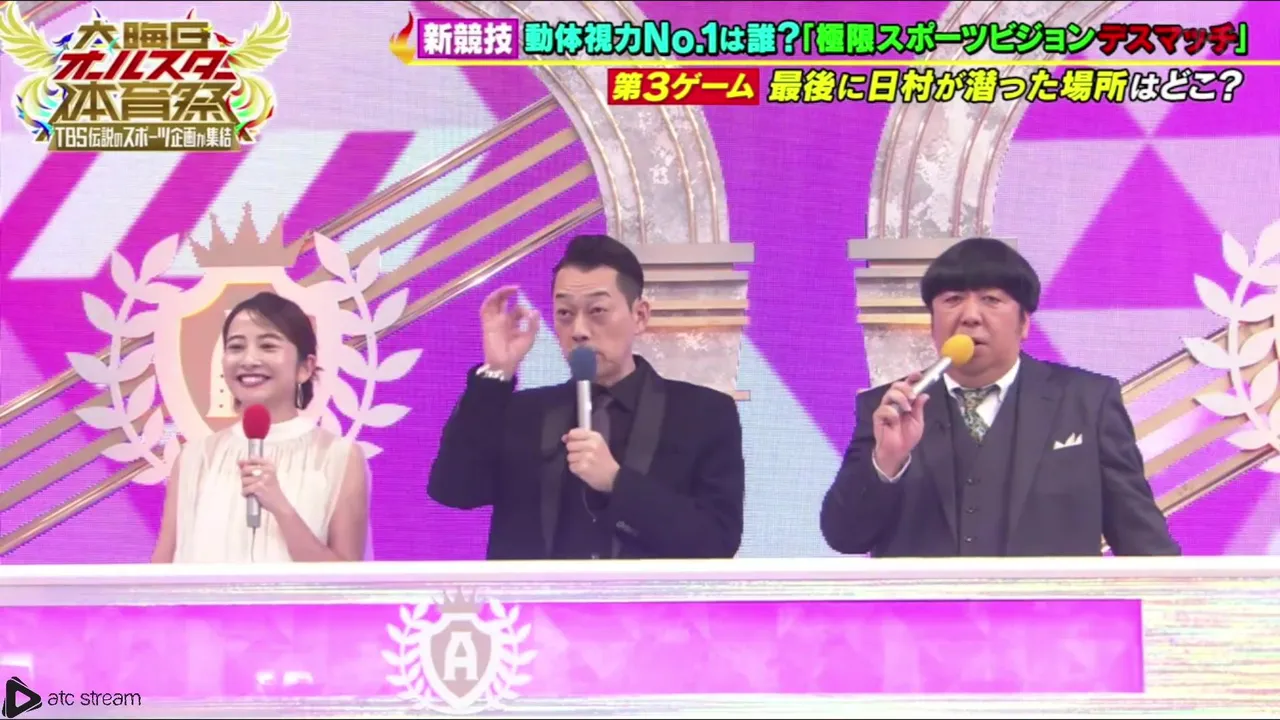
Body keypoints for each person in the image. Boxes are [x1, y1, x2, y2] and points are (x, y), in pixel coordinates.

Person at [821, 237, 1180, 557]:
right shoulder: (890, 407)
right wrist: (886, 461)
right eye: (952, 300)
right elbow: (845, 537)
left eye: (991, 300)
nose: (970, 316)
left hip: (1051, 612)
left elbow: (1142, 541)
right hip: (925, 613)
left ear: (1024, 323)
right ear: (932, 323)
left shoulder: (1087, 402)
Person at [428, 234, 745, 560]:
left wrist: (616, 482)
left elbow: (717, 541)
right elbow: (454, 490)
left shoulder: (703, 414)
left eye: (597, 311)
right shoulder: (524, 413)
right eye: (565, 313)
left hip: (644, 595)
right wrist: (497, 372)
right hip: (538, 594)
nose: (578, 330)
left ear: (639, 316)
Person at [151, 291, 370, 563]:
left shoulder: (339, 457)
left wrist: (281, 508)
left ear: (305, 367)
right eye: (236, 347)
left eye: (267, 346)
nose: (249, 360)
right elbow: (163, 567)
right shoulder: (195, 457)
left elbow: (347, 577)